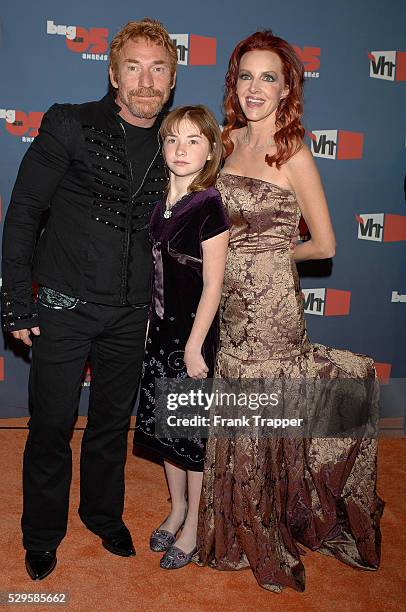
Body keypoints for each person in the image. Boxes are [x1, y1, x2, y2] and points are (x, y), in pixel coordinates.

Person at [195, 30, 384, 592]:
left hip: (274, 305)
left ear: (286, 89)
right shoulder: (225, 141)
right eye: (246, 76)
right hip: (226, 301)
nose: (255, 87)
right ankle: (237, 528)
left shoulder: (292, 150)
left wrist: (272, 253)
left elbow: (324, 245)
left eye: (268, 77)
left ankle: (271, 531)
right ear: (235, 83)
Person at [1, 18, 177, 580]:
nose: (146, 80)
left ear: (172, 80)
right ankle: (42, 533)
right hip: (61, 304)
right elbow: (25, 211)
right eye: (134, 67)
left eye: (158, 68)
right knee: (51, 423)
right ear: (113, 73)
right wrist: (15, 302)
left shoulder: (181, 141)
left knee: (110, 425)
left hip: (132, 313)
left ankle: (103, 515)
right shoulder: (70, 124)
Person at [134, 105, 229, 569]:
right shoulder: (160, 207)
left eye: (193, 140)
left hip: (193, 340)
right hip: (161, 336)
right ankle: (175, 511)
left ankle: (193, 527)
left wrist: (194, 345)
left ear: (211, 149)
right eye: (173, 139)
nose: (181, 149)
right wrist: (152, 329)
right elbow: (156, 277)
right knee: (165, 434)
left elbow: (213, 284)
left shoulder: (209, 205)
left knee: (190, 440)